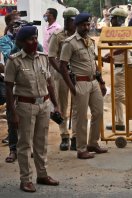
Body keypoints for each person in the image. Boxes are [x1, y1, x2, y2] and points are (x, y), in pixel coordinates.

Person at [5, 26, 60, 192]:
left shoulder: (43, 58)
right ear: (21, 43)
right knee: (24, 144)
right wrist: (12, 114)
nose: (34, 42)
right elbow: (8, 89)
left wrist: (55, 105)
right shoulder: (14, 61)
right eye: (30, 39)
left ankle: (42, 174)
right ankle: (26, 179)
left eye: (35, 38)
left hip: (43, 104)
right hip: (25, 106)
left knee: (41, 142)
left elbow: (49, 83)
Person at [60, 13, 108, 159]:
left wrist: (101, 81)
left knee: (98, 112)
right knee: (81, 117)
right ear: (77, 25)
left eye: (88, 25)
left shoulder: (90, 41)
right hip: (80, 83)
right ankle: (81, 149)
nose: (87, 27)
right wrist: (71, 87)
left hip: (93, 82)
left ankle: (93, 143)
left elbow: (93, 62)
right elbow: (63, 66)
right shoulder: (69, 43)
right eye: (84, 25)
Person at [48, 7, 79, 151]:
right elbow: (51, 56)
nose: (68, 23)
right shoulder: (57, 35)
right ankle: (64, 135)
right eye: (66, 20)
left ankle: (76, 136)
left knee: (78, 105)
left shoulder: (81, 34)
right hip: (61, 74)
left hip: (77, 73)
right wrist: (61, 70)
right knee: (62, 104)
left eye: (71, 20)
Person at [103, 7, 132, 131]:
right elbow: (112, 46)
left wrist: (112, 54)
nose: (111, 20)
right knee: (116, 96)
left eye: (113, 18)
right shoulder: (113, 31)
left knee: (120, 95)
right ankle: (120, 122)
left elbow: (125, 47)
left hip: (123, 66)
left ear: (119, 19)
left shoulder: (124, 31)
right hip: (118, 66)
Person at [0, 11, 20, 161]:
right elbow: (9, 57)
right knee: (12, 114)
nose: (18, 26)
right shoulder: (4, 40)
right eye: (15, 23)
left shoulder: (28, 38)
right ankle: (13, 150)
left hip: (26, 80)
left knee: (28, 116)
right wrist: (18, 41)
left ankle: (26, 147)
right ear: (9, 26)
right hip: (12, 81)